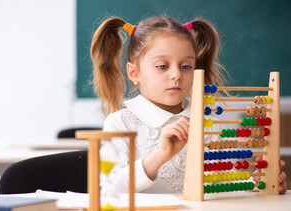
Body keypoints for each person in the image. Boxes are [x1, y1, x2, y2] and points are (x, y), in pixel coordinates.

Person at [90, 16, 287, 194]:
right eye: (162, 66)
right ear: (134, 73)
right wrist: (161, 155)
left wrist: (256, 183)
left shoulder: (208, 121)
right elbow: (108, 190)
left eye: (186, 66)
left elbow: (224, 183)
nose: (176, 74)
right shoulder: (120, 124)